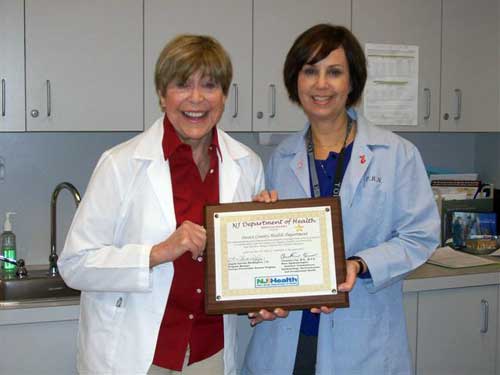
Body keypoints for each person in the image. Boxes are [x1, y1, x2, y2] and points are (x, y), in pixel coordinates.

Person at [58, 34, 264, 375]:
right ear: (162, 94)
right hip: (137, 354)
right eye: (182, 84)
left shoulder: (247, 165)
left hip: (208, 353)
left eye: (210, 85)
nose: (196, 98)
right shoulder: (120, 164)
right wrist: (157, 252)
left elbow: (249, 270)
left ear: (225, 96)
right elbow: (75, 264)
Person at [242, 24, 440, 374]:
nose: (321, 84)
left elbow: (420, 237)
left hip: (362, 338)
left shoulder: (395, 154)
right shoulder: (281, 158)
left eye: (334, 72)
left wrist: (360, 264)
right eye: (310, 71)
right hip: (288, 340)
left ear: (352, 82)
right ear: (295, 81)